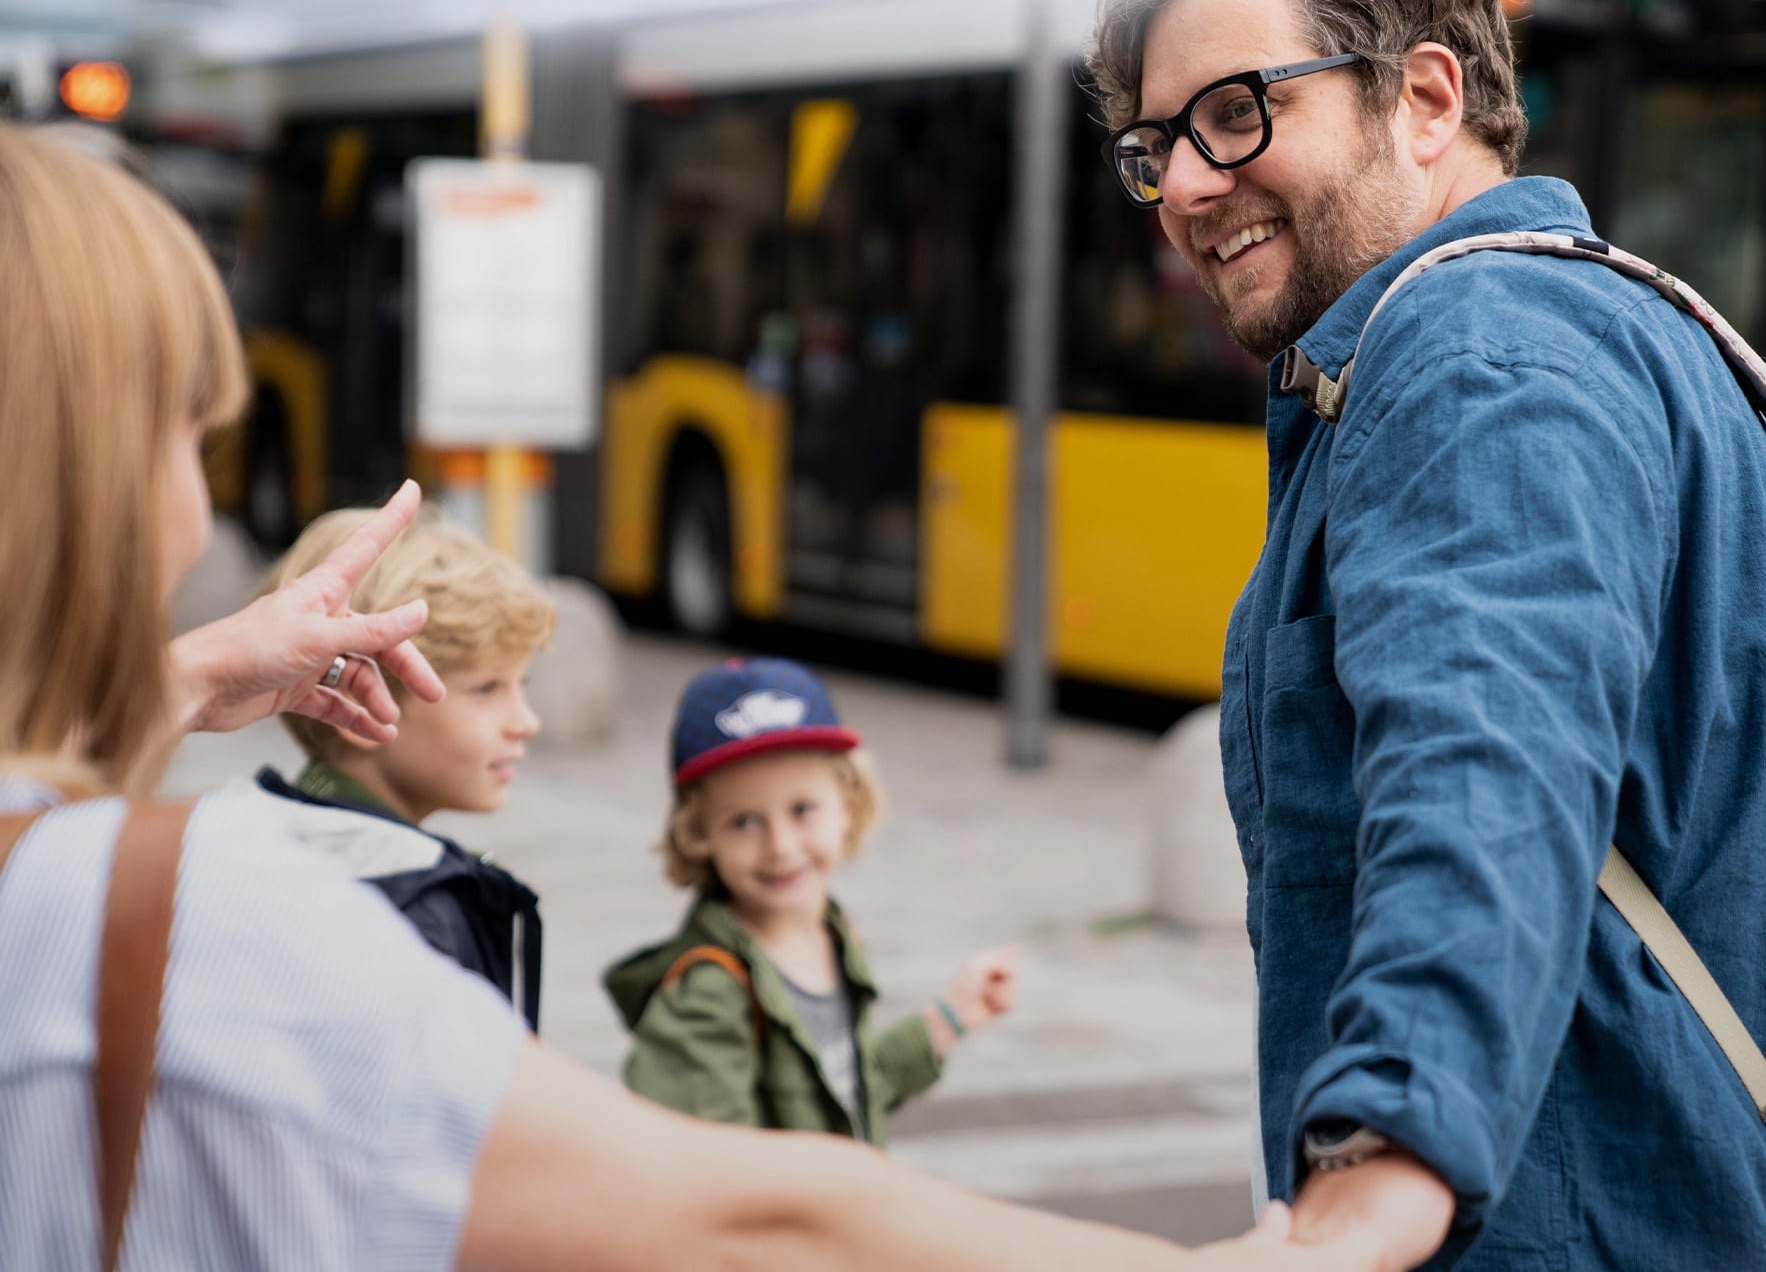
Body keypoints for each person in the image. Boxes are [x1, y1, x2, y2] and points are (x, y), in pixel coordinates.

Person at [0, 119, 1377, 1270]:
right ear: (85, 473)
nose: (197, 509)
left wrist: (182, 675)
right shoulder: (188, 915)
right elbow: (742, 1215)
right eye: (188, 434)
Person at [1084, 0, 1766, 1267]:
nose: (1187, 183)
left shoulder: (1479, 358)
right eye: (1157, 145)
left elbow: (1486, 766)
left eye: (1238, 112)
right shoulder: (1585, 320)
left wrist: (1385, 1163)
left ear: (1425, 96)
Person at [607, 657, 1015, 1141]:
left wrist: (948, 1019)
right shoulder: (709, 995)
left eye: (802, 809)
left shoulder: (830, 932)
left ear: (848, 805)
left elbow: (841, 1095)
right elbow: (709, 1176)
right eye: (744, 821)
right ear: (698, 834)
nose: (780, 846)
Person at [253, 506, 554, 1028]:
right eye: (486, 688)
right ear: (359, 698)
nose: (525, 723)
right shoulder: (413, 910)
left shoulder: (262, 835)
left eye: (521, 686)